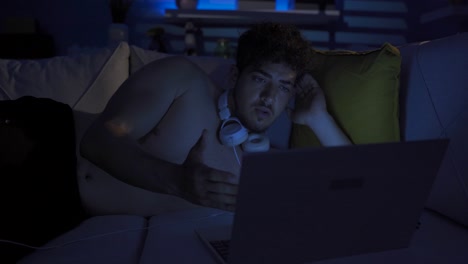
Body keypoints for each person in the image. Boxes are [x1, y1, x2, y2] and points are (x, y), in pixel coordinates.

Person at [80, 22, 351, 212]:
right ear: (235, 76)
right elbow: (99, 138)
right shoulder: (183, 79)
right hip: (49, 149)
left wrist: (319, 118)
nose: (269, 97)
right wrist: (176, 180)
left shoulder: (258, 164)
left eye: (283, 87)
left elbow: (356, 183)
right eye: (260, 79)